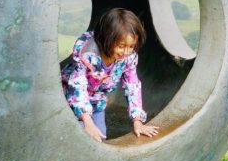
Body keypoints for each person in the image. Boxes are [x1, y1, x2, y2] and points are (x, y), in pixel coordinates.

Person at [61, 8, 159, 142]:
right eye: (121, 46)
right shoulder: (88, 55)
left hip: (96, 101)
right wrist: (88, 122)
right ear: (106, 38)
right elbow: (77, 87)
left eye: (131, 46)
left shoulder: (127, 58)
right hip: (69, 99)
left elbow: (132, 86)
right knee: (79, 136)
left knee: (100, 135)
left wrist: (138, 121)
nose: (125, 52)